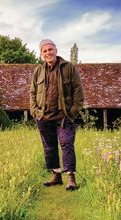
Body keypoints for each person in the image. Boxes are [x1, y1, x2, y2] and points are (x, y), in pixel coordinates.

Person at [30, 39, 84, 191]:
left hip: (64, 117)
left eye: (50, 49)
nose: (48, 53)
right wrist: (34, 111)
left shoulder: (69, 68)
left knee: (66, 144)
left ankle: (71, 178)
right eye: (45, 51)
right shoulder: (38, 71)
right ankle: (56, 176)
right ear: (41, 54)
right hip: (43, 117)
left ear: (56, 50)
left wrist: (73, 112)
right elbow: (32, 92)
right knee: (49, 147)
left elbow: (78, 90)